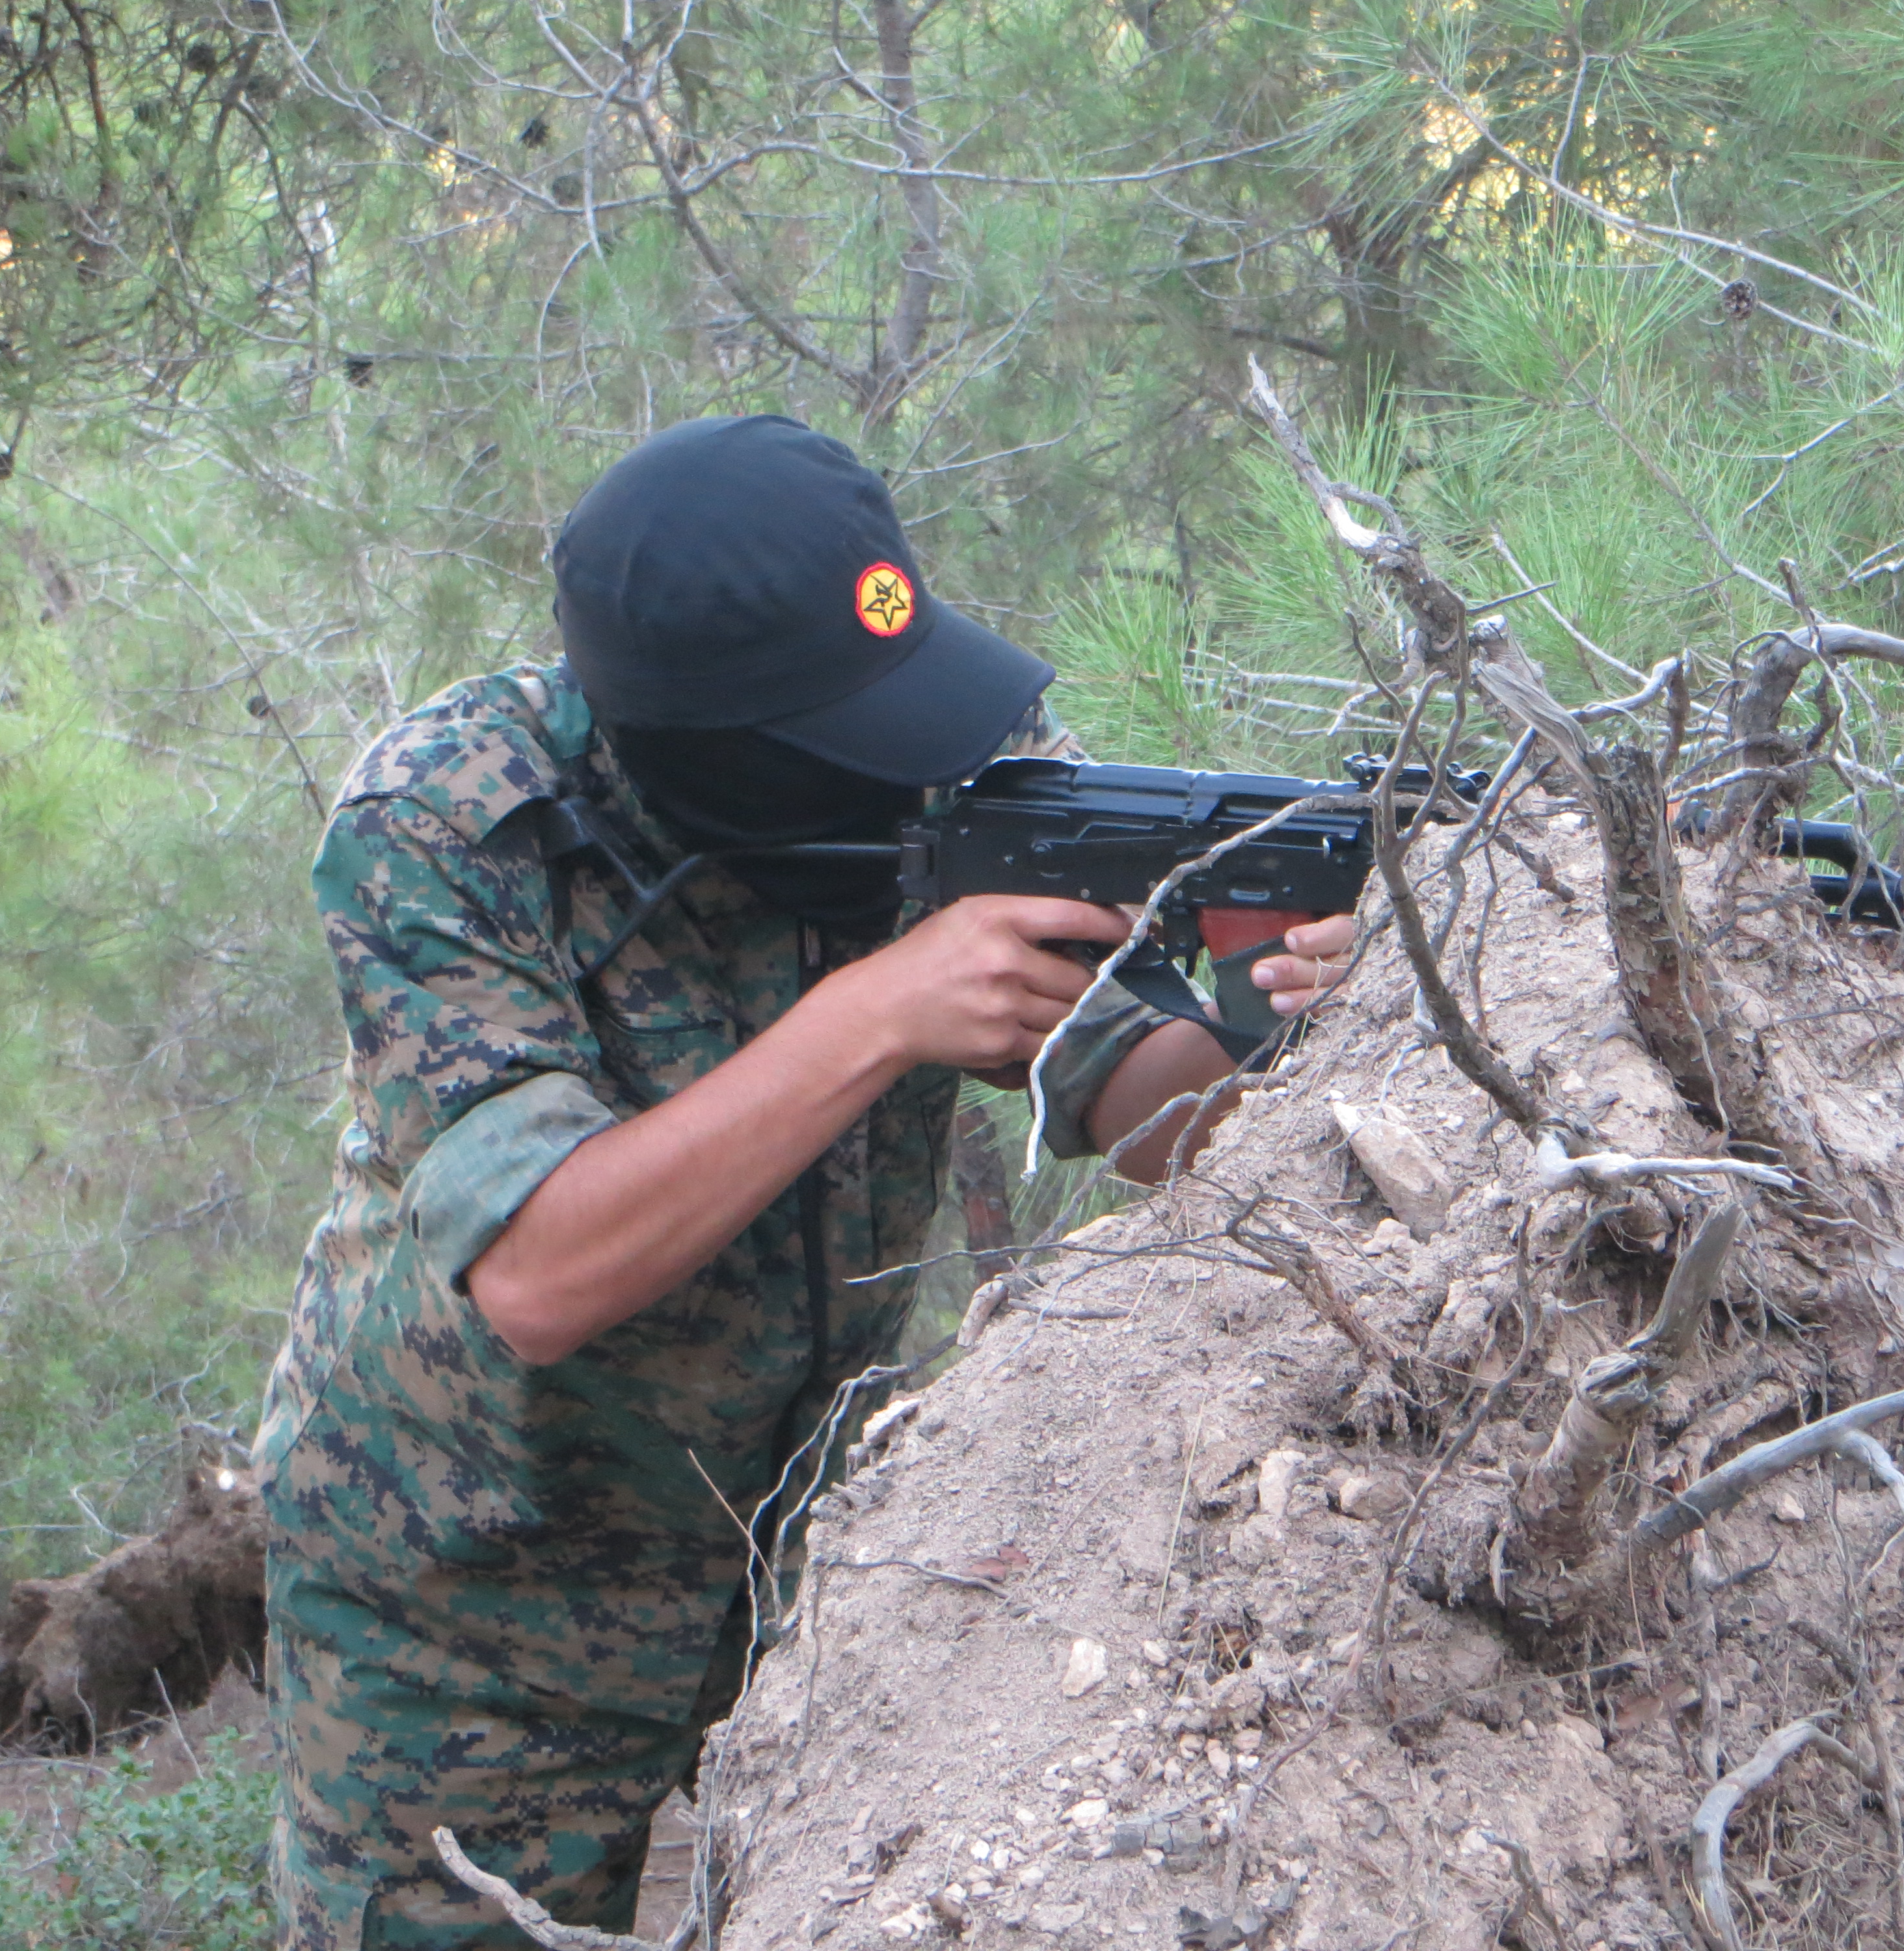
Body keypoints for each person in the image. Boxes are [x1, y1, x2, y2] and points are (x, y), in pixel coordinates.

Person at [256, 415, 1352, 1950]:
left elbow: (1132, 1109)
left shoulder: (945, 776)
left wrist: (1269, 1009)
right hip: (465, 1597)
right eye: (856, 732)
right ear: (712, 750)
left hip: (793, 1575)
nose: (919, 763)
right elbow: (537, 1273)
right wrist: (881, 1008)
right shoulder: (446, 823)